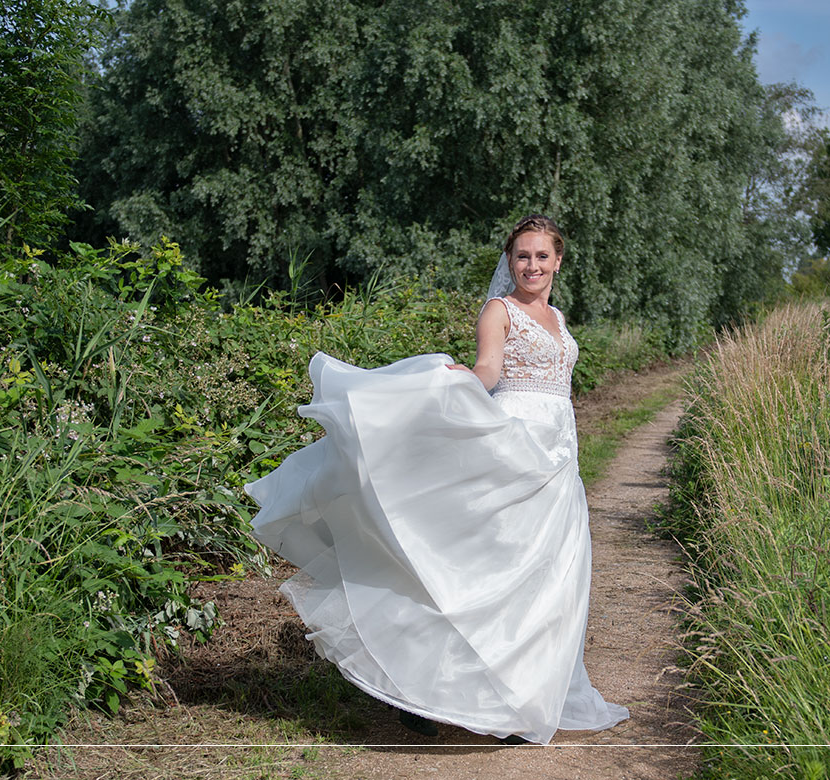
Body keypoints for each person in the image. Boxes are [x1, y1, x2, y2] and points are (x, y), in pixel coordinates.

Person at [244, 215, 629, 745]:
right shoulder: (499, 310)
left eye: (542, 256)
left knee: (551, 576)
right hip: (514, 442)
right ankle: (431, 687)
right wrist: (463, 381)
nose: (532, 266)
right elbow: (490, 369)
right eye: (522, 256)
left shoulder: (559, 318)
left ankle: (526, 699)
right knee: (490, 568)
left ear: (558, 260)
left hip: (560, 456)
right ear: (510, 260)